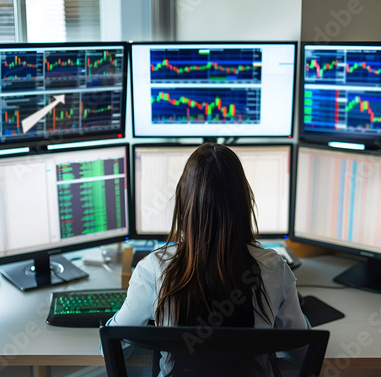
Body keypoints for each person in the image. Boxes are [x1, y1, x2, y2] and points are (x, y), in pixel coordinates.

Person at [101, 142, 308, 376]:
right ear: (244, 203)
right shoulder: (274, 268)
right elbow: (301, 351)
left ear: (183, 203)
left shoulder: (153, 270)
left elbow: (113, 345)